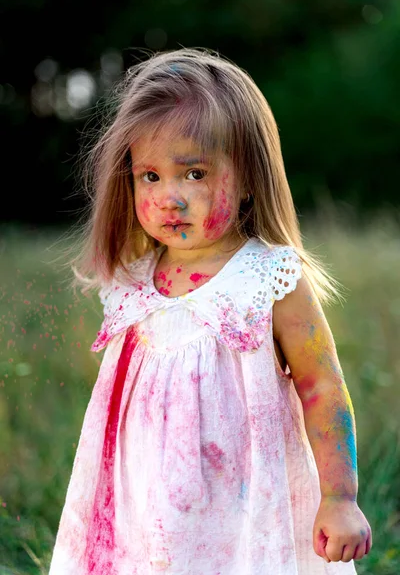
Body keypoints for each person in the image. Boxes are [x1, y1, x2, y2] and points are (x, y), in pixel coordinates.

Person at [48, 47, 372, 574]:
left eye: (193, 174)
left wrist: (339, 497)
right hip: (144, 508)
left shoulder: (267, 278)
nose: (169, 197)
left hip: (245, 504)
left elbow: (322, 386)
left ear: (247, 176)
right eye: (149, 176)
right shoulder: (133, 284)